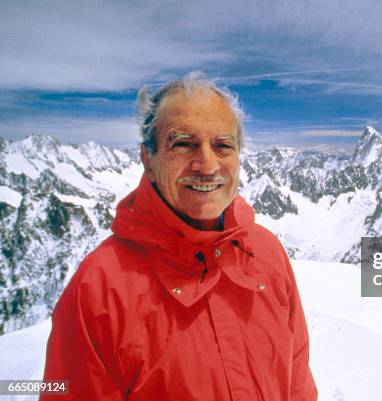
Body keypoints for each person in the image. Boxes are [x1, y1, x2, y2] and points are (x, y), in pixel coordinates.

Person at [40, 72, 318, 401]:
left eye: (223, 145)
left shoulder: (266, 251)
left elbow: (297, 382)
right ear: (148, 159)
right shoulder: (98, 290)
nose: (207, 164)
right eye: (183, 144)